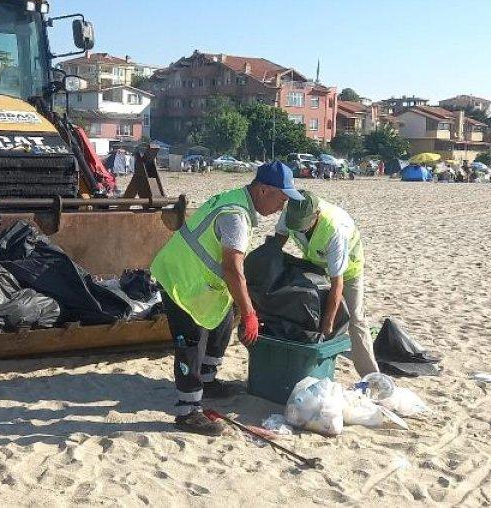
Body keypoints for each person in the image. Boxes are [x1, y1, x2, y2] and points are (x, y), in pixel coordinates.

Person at [150, 161, 301, 435]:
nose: (282, 207)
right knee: (191, 340)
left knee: (224, 318)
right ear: (263, 190)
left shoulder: (237, 200)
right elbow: (233, 269)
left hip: (195, 276)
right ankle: (187, 411)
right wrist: (250, 313)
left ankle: (208, 382)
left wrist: (242, 307)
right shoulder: (235, 216)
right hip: (179, 278)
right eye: (282, 199)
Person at [275, 191, 375, 377]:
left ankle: (370, 375)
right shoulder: (291, 212)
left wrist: (328, 324)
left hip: (347, 271)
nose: (299, 230)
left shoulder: (335, 230)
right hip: (316, 263)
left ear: (316, 215)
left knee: (355, 319)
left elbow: (337, 284)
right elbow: (278, 239)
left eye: (303, 226)